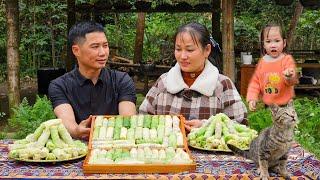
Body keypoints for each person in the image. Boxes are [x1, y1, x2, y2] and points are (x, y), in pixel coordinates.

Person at [139, 22, 247, 132]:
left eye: (189, 50)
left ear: (207, 50)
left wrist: (207, 126)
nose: (183, 56)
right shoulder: (163, 82)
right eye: (178, 49)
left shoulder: (223, 85)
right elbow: (142, 120)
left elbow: (241, 126)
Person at [48, 21, 136, 139]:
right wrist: (76, 130)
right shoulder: (59, 85)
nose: (103, 53)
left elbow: (128, 121)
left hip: (115, 146)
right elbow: (67, 121)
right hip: (79, 149)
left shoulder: (122, 80)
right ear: (76, 50)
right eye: (95, 47)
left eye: (105, 46)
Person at [246, 23, 298, 111]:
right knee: (271, 124)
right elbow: (255, 82)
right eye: (268, 41)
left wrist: (289, 76)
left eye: (277, 41)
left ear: (284, 43)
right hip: (268, 105)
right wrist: (252, 98)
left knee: (286, 123)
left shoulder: (286, 60)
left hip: (285, 105)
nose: (273, 45)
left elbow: (292, 82)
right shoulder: (262, 62)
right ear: (263, 45)